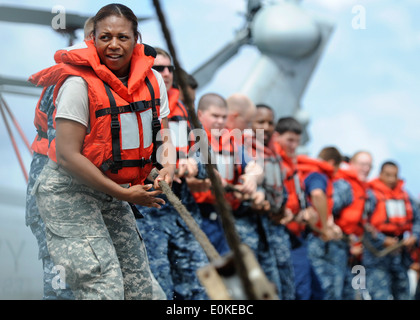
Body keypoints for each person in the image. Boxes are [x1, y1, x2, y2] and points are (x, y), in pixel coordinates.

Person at [29, 3, 174, 300]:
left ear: (137, 39)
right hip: (69, 192)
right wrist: (123, 194)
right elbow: (68, 155)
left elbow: (165, 135)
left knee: (139, 290)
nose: (114, 45)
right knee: (102, 287)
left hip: (112, 190)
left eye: (123, 37)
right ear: (92, 39)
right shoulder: (77, 84)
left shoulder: (153, 81)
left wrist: (168, 167)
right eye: (105, 37)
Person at [25, 17, 95, 300]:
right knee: (63, 285)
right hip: (54, 193)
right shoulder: (72, 81)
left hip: (83, 198)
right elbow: (67, 151)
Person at [135, 47, 209, 300]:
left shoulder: (187, 114)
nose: (166, 74)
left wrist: (193, 165)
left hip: (184, 213)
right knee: (158, 285)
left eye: (170, 69)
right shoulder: (134, 107)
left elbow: (207, 159)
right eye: (159, 68)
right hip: (149, 213)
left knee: (198, 285)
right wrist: (166, 166)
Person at [243, 103, 296, 300]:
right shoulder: (244, 149)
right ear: (250, 123)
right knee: (257, 285)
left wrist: (283, 209)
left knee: (281, 284)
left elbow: (280, 186)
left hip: (273, 226)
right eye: (260, 122)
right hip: (251, 224)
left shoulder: (273, 151)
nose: (266, 127)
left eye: (270, 123)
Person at [271, 116, 324, 300]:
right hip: (283, 233)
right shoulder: (272, 161)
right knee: (297, 290)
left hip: (297, 235)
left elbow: (298, 196)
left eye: (296, 141)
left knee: (315, 291)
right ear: (276, 137)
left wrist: (308, 210)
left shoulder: (291, 164)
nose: (293, 145)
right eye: (289, 140)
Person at [364, 161, 420, 299]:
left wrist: (415, 236)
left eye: (394, 175)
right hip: (377, 255)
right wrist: (383, 240)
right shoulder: (370, 195)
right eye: (388, 175)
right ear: (380, 174)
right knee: (380, 295)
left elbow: (417, 217)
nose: (391, 179)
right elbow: (362, 223)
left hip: (400, 256)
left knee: (404, 295)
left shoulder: (405, 195)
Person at [298, 146, 344, 300]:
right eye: (337, 169)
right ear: (332, 163)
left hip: (302, 232)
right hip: (307, 238)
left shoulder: (307, 171)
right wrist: (325, 228)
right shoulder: (318, 175)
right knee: (310, 289)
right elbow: (317, 195)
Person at [332, 150, 374, 300]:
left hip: (355, 251)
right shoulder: (344, 185)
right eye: (362, 164)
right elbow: (330, 209)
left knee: (354, 293)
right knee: (335, 292)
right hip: (336, 247)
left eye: (369, 166)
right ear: (352, 164)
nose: (366, 169)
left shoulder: (365, 190)